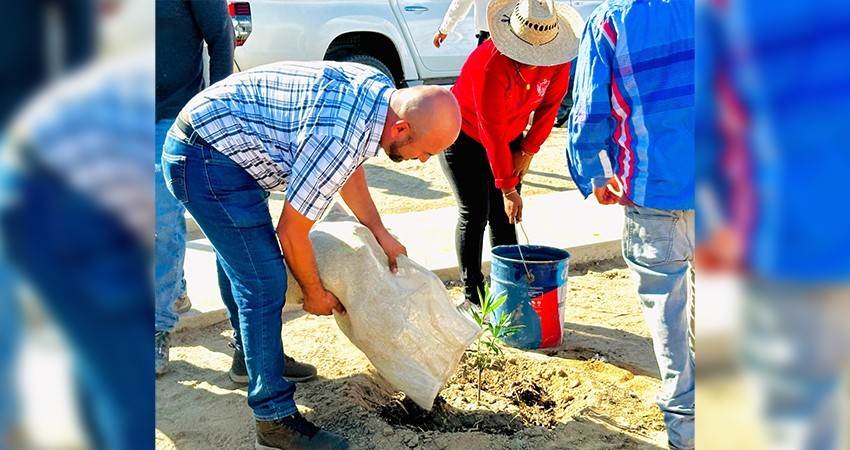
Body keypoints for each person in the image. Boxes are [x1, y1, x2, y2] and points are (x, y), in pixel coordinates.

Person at [160, 61, 461, 450]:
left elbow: (348, 167)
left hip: (231, 145)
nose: (422, 160)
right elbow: (292, 231)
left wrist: (379, 230)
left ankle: (248, 358)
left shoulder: (378, 93)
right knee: (263, 281)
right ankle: (273, 421)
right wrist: (314, 292)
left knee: (243, 257)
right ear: (401, 128)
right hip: (206, 156)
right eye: (425, 151)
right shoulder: (339, 136)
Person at [565, 0, 695, 448]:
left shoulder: (610, 19)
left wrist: (594, 174)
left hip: (650, 191)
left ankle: (687, 433)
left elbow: (587, 110)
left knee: (669, 321)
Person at [440, 0, 582, 305]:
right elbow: (490, 128)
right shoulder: (489, 64)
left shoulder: (557, 58)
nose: (534, 62)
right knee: (475, 212)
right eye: (527, 54)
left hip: (511, 138)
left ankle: (510, 293)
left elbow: (549, 108)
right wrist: (506, 186)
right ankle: (473, 297)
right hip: (464, 135)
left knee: (504, 219)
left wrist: (528, 150)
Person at [154, 0, 233, 374]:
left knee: (160, 219)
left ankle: (157, 326)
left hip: (172, 113)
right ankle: (175, 288)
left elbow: (220, 37)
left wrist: (213, 107)